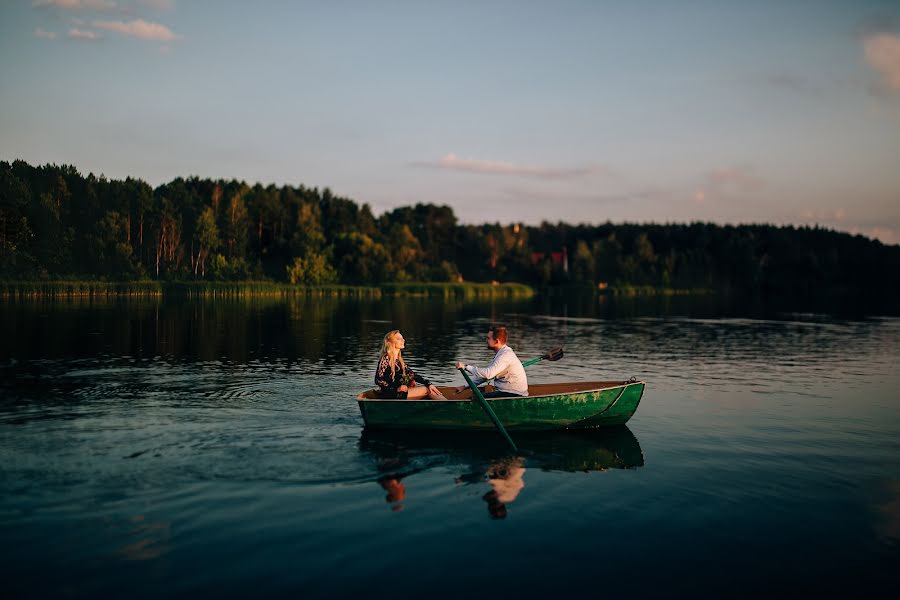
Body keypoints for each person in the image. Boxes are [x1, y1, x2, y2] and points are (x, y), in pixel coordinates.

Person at [454, 325, 528, 398]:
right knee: (477, 396)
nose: (486, 340)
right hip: (507, 392)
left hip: (514, 394)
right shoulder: (501, 353)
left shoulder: (505, 356)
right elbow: (486, 376)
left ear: (496, 341)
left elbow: (488, 374)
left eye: (488, 338)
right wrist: (465, 386)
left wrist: (465, 367)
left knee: (474, 399)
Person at [375, 330, 446, 399]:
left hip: (398, 393)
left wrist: (429, 384)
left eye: (402, 338)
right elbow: (378, 379)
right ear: (390, 342)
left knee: (429, 388)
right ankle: (447, 405)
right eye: (399, 339)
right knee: (426, 390)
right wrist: (396, 389)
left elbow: (412, 374)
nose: (403, 340)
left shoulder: (399, 361)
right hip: (391, 394)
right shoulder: (386, 358)